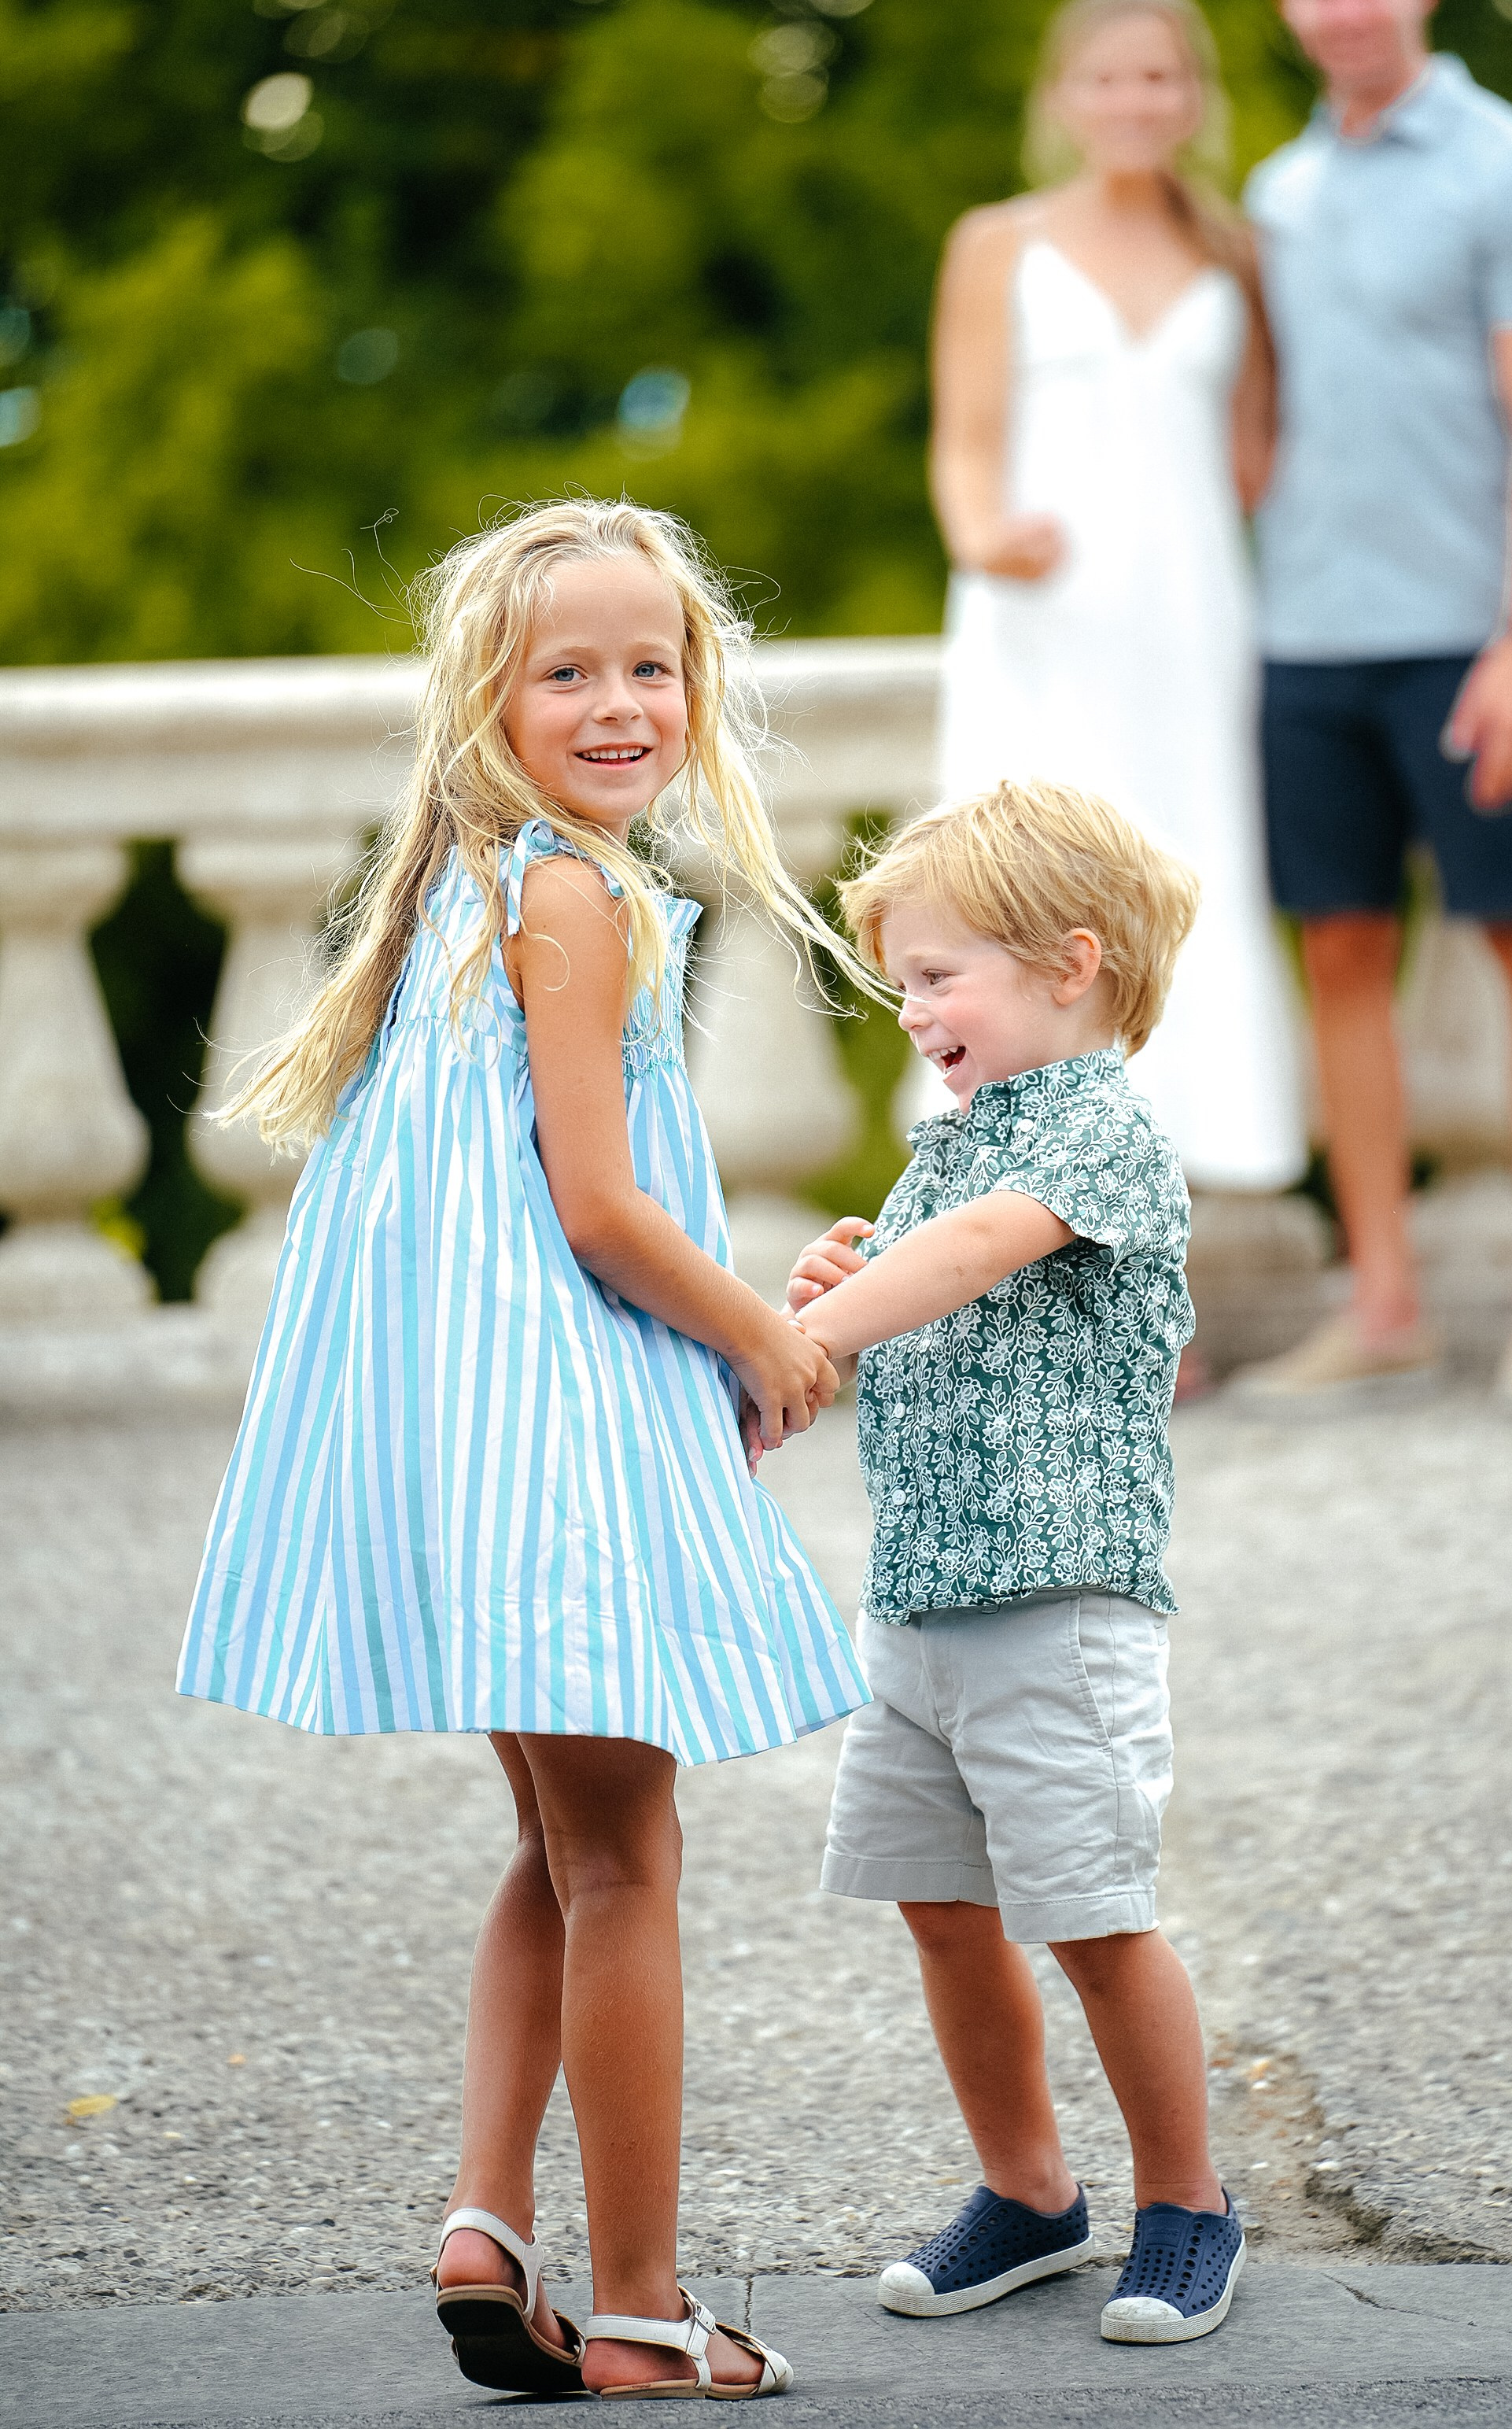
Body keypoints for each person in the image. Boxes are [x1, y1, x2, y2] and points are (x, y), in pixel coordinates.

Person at [176, 499, 874, 2401]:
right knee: (629, 1864)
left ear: (697, 683)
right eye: (568, 670)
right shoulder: (573, 896)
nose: (620, 700)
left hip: (477, 1444)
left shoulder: (482, 896)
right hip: (547, 1443)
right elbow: (593, 1207)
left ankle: (488, 2223)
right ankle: (643, 2309)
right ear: (489, 700)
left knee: (558, 1853)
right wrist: (759, 1330)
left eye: (651, 664)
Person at [785, 781, 1248, 2348]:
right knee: (939, 1905)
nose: (910, 1007)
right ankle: (1031, 2191)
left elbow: (982, 1252)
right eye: (901, 980)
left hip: (1058, 1606)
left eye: (937, 975)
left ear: (1072, 963)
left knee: (1096, 1915)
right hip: (921, 1602)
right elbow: (933, 1259)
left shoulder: (1103, 1130)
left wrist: (810, 1332)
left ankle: (1187, 2200)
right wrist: (840, 1274)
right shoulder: (955, 1142)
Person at [1234, 0, 1512, 1413]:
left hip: (1472, 639)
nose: (1342, 9)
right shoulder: (1278, 188)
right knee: (1339, 954)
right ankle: (1381, 1300)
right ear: (1287, 3)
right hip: (1307, 642)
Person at [928, 0, 1304, 1209]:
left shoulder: (1235, 253)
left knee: (1174, 901)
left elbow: (1259, 457)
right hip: (1043, 622)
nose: (1133, 99)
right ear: (1062, 96)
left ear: (1195, 95)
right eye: (1106, 76)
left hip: (1191, 624)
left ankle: (1143, 1262)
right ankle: (1003, 1244)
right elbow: (965, 444)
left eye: (1159, 75)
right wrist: (986, 536)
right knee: (1023, 906)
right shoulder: (998, 242)